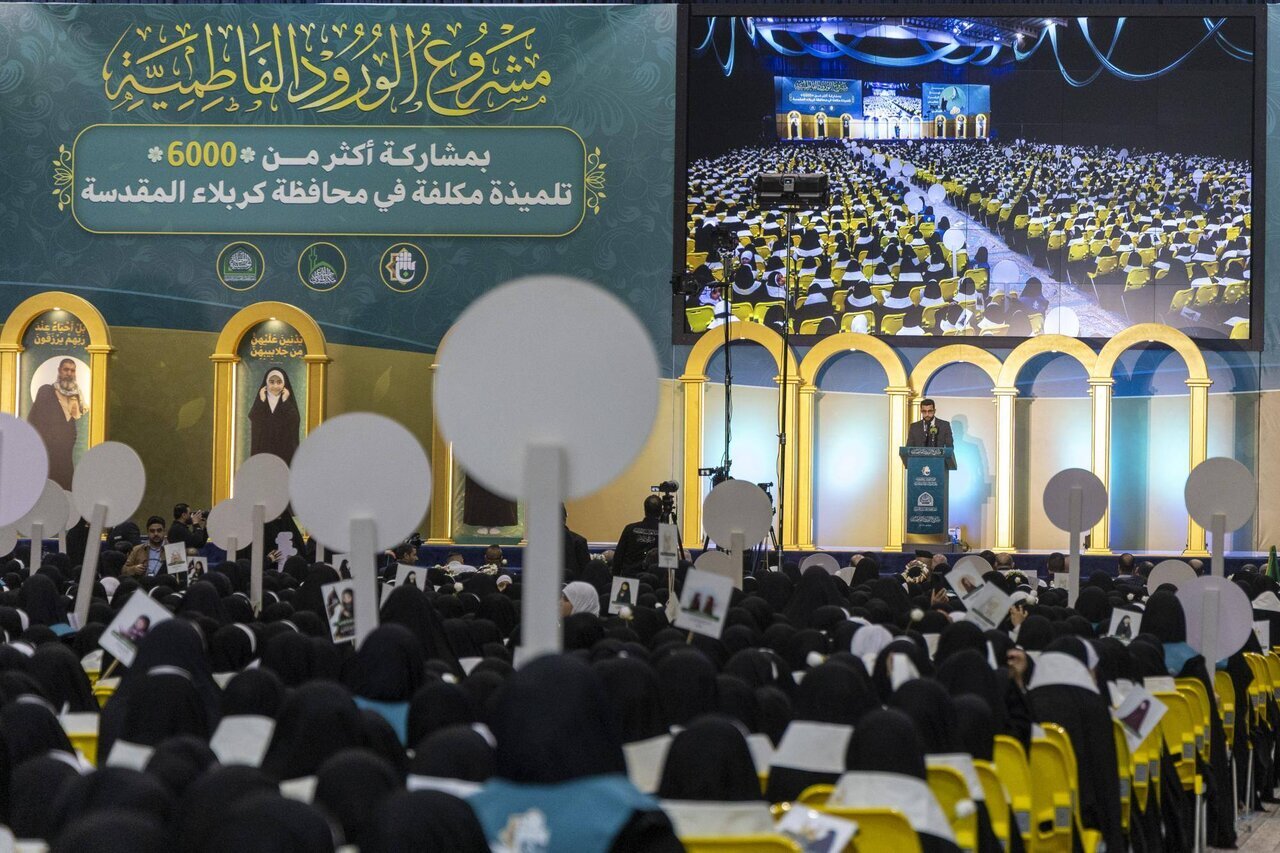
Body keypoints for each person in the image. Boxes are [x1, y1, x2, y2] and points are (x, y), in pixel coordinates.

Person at [27, 358, 87, 489]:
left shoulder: (76, 398)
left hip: (65, 462)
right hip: (46, 459)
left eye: (72, 370)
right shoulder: (46, 392)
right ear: (59, 371)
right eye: (66, 369)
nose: (69, 373)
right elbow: (34, 424)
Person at [246, 367, 301, 465]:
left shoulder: (287, 401)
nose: (275, 386)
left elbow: (294, 422)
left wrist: (285, 402)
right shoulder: (262, 400)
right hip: (263, 449)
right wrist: (262, 401)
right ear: (266, 384)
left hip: (284, 450)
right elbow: (255, 420)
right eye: (272, 382)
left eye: (279, 382)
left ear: (284, 384)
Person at [614, 495, 662, 576]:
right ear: (661, 511)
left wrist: (615, 578)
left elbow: (618, 557)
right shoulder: (666, 532)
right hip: (654, 579)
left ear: (645, 510)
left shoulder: (630, 529)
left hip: (630, 578)